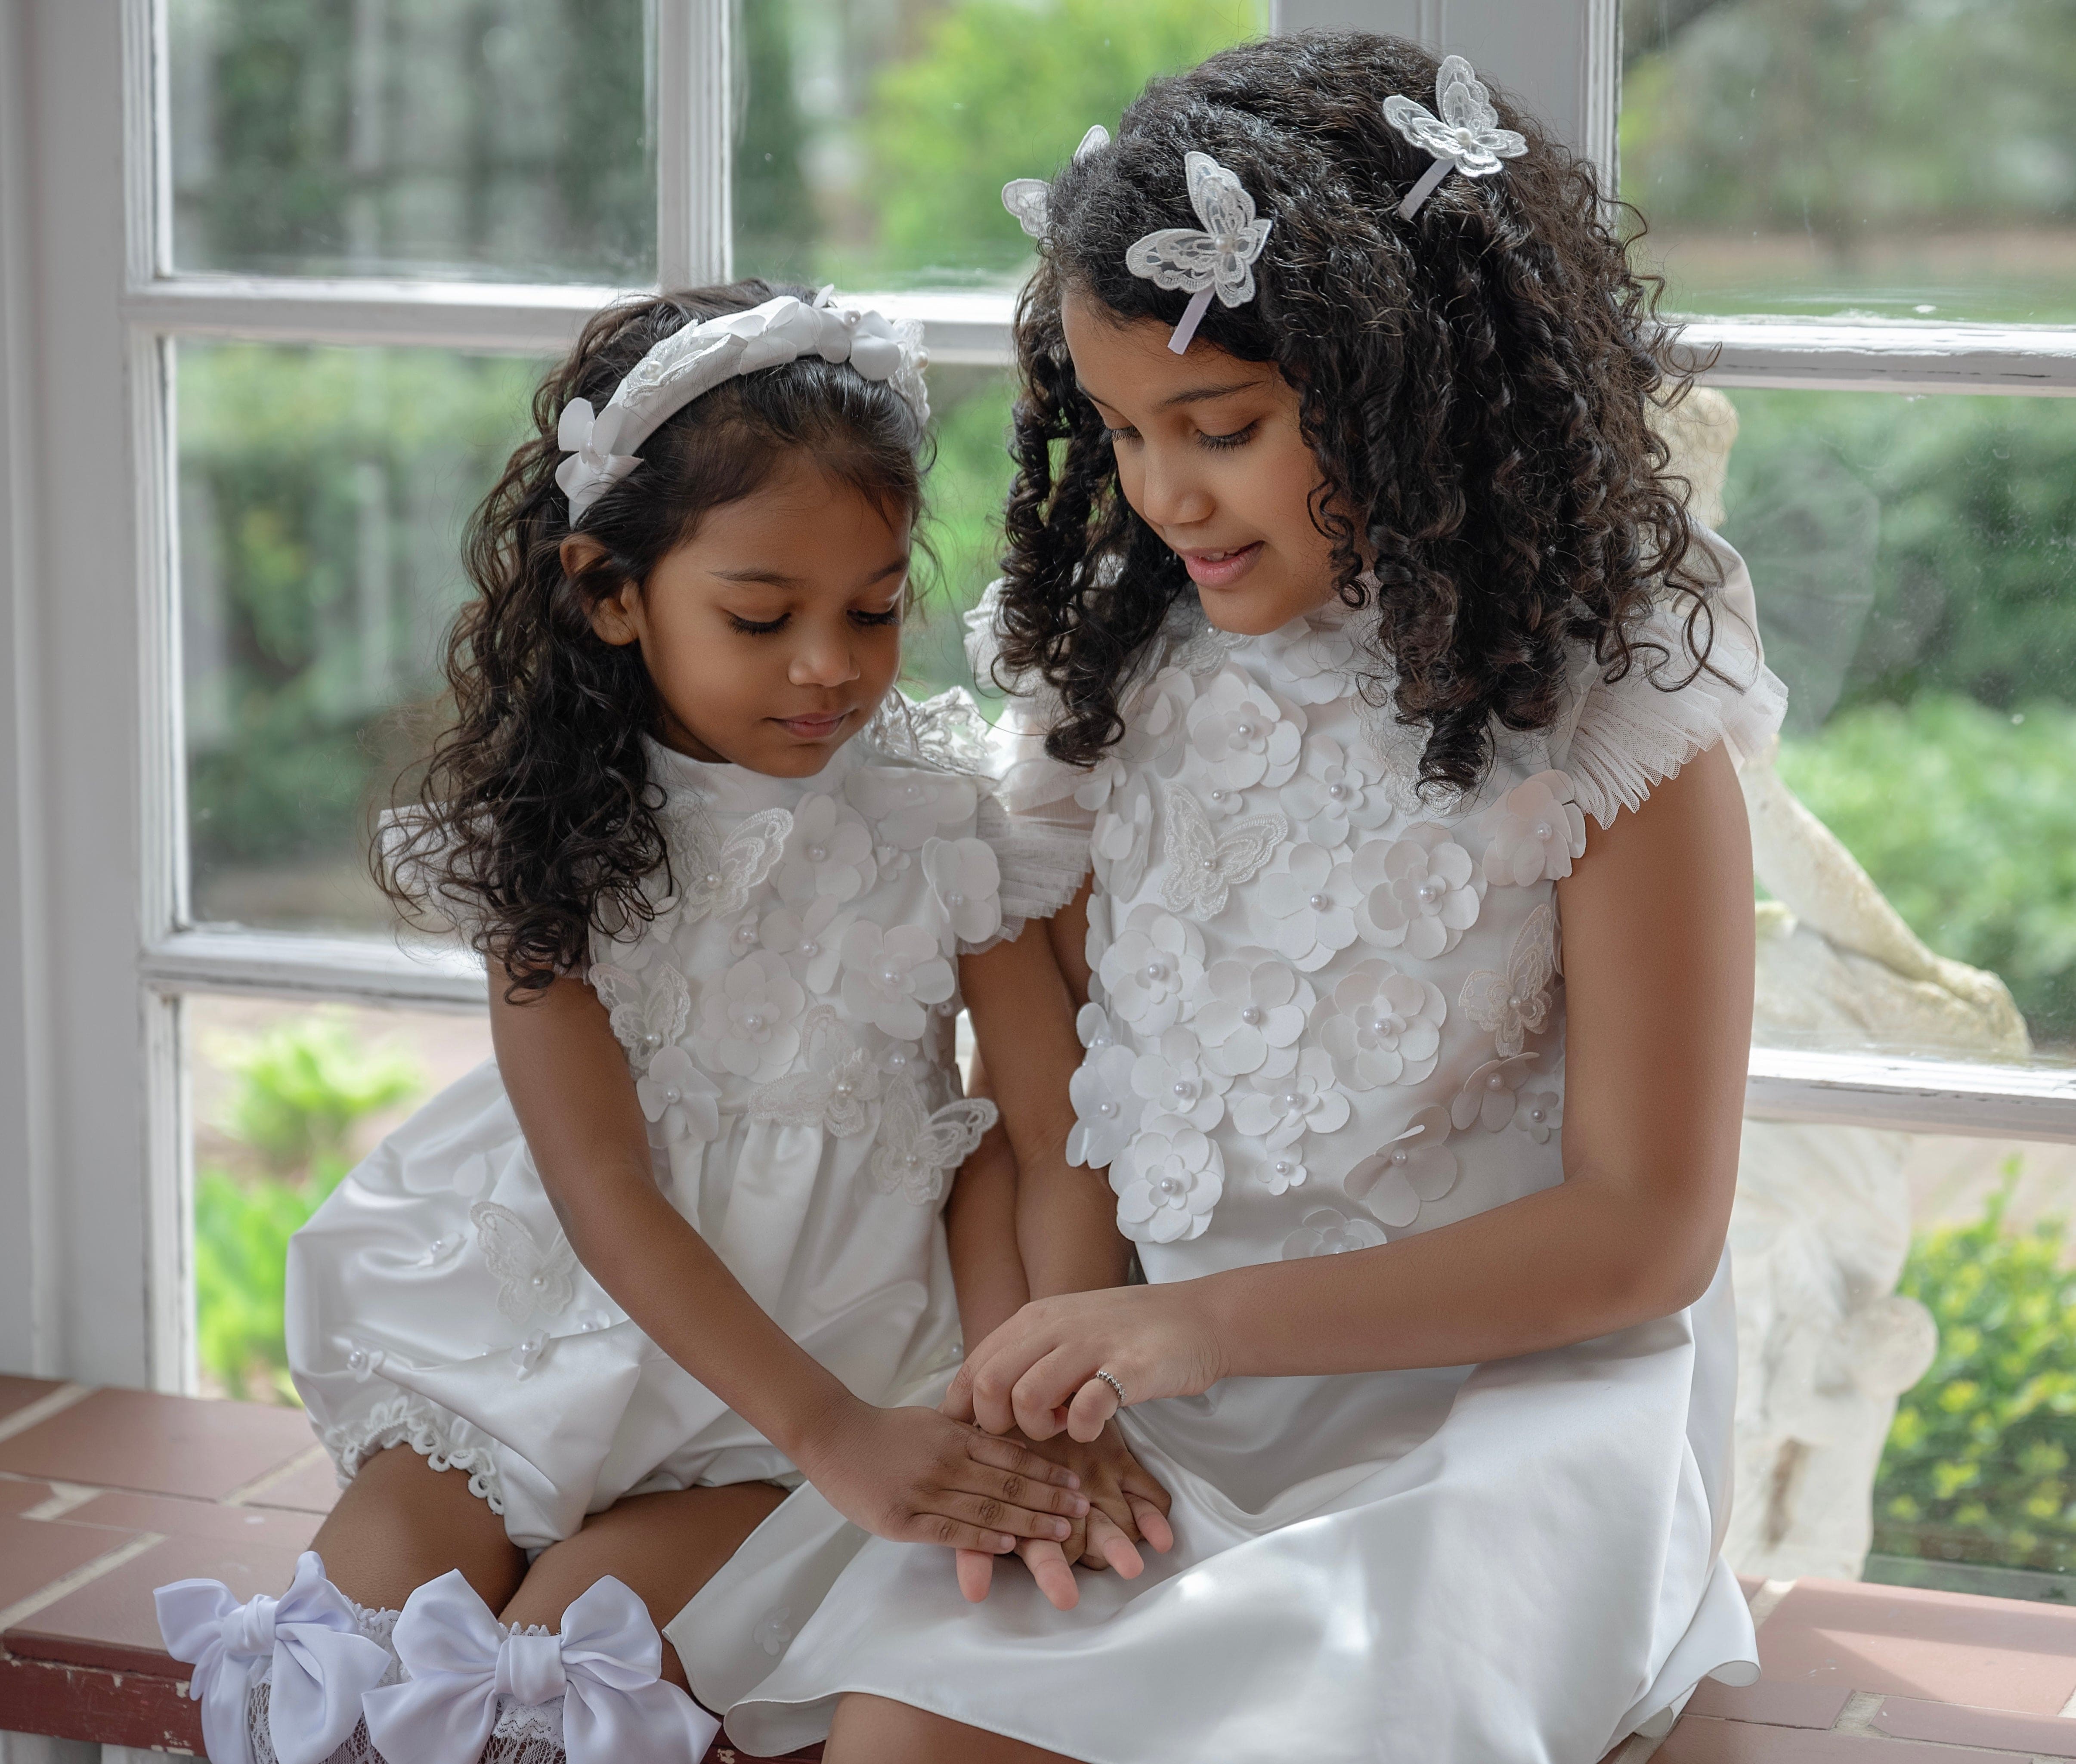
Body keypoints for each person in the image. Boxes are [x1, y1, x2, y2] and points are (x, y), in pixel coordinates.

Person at [674, 34, 1787, 1764]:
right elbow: (1045, 1116)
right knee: (912, 1730)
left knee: (1326, 1713)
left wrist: (1192, 1323)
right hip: (1172, 1400)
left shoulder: (1614, 722)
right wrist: (1062, 1376)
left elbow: (1646, 1229)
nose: (1163, 492)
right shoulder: (1120, 693)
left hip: (1495, 1412)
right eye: (1123, 431)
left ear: (1414, 391)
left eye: (1223, 427)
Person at [151, 281, 1167, 1764]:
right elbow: (604, 1191)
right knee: (364, 1630)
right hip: (538, 1338)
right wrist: (839, 1434)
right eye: (763, 616)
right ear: (610, 590)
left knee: (562, 1672)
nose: (831, 663)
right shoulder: (546, 844)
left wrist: (1042, 1393)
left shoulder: (942, 815)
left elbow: (1049, 1117)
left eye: (875, 607)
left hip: (805, 1378)